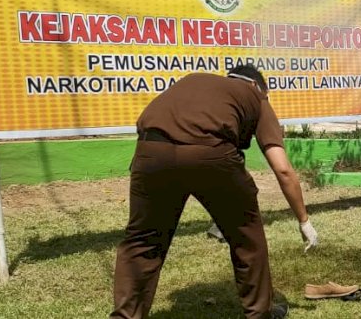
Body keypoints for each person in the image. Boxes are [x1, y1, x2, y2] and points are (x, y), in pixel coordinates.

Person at [111, 66, 318, 319]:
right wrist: (304, 220)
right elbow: (282, 169)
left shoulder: (193, 80)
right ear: (258, 86)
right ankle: (260, 313)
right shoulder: (255, 95)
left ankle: (125, 315)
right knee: (247, 238)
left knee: (142, 240)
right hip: (210, 154)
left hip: (151, 151)